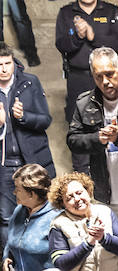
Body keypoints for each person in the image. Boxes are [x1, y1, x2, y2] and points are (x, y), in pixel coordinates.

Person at [55, 0, 118, 172]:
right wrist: (78, 36)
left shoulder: (110, 11)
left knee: (112, 119)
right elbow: (61, 44)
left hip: (108, 78)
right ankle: (82, 173)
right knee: (80, 125)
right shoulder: (66, 13)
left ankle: (114, 169)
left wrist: (93, 36)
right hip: (78, 77)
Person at [0, 45, 53, 253]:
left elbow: (45, 120)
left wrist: (24, 117)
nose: (4, 69)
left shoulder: (30, 83)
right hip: (4, 165)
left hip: (31, 162)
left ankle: (42, 259)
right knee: (6, 218)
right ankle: (9, 263)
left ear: (13, 62)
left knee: (40, 212)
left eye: (7, 63)